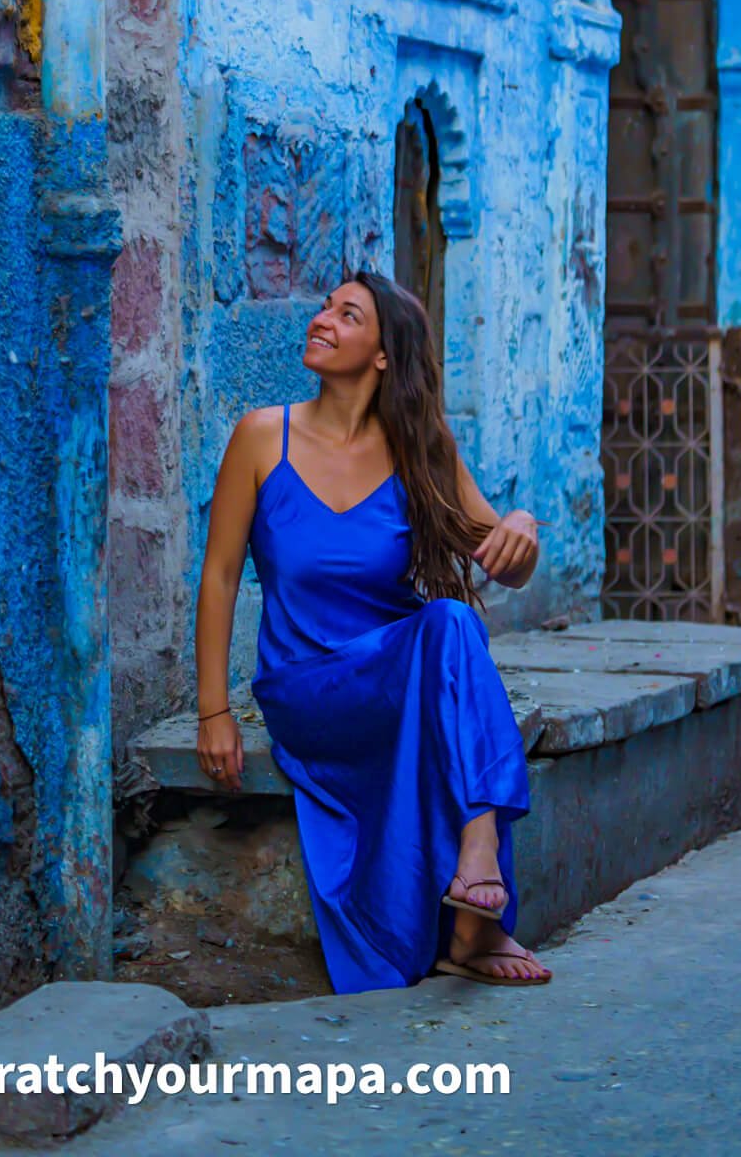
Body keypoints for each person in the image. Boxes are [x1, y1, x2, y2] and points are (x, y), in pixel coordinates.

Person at [193, 270, 552, 989]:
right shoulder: (263, 437)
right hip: (308, 690)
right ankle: (475, 920)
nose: (321, 319)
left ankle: (477, 856)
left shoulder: (420, 448)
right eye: (325, 308)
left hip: (391, 678)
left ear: (383, 354)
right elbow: (221, 574)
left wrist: (523, 526)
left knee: (451, 620)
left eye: (346, 314)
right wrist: (213, 711)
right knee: (449, 631)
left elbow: (502, 562)